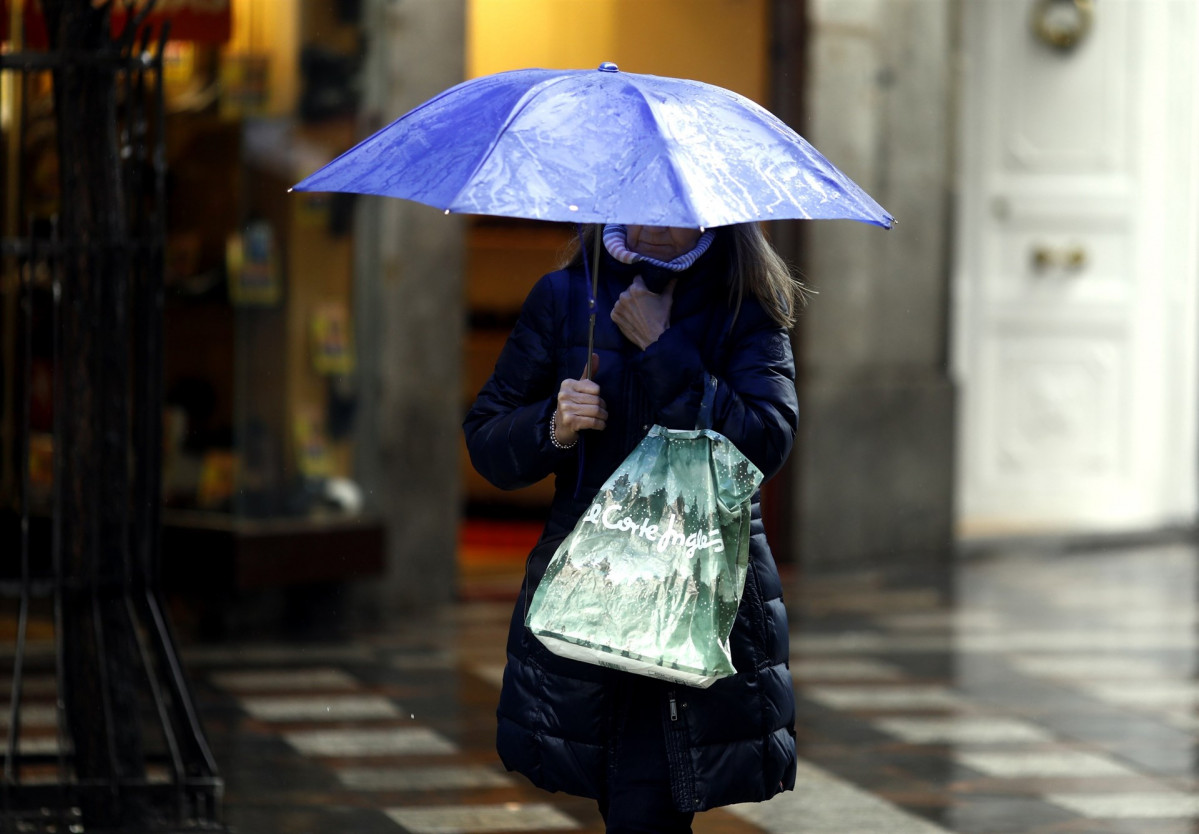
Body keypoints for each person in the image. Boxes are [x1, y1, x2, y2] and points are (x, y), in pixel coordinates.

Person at [463, 221, 801, 832]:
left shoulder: (743, 303)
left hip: (697, 594)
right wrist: (554, 424)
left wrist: (662, 347)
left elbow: (765, 444)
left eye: (671, 210)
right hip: (591, 591)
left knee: (647, 803)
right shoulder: (565, 297)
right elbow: (487, 439)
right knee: (626, 798)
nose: (651, 227)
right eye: (638, 203)